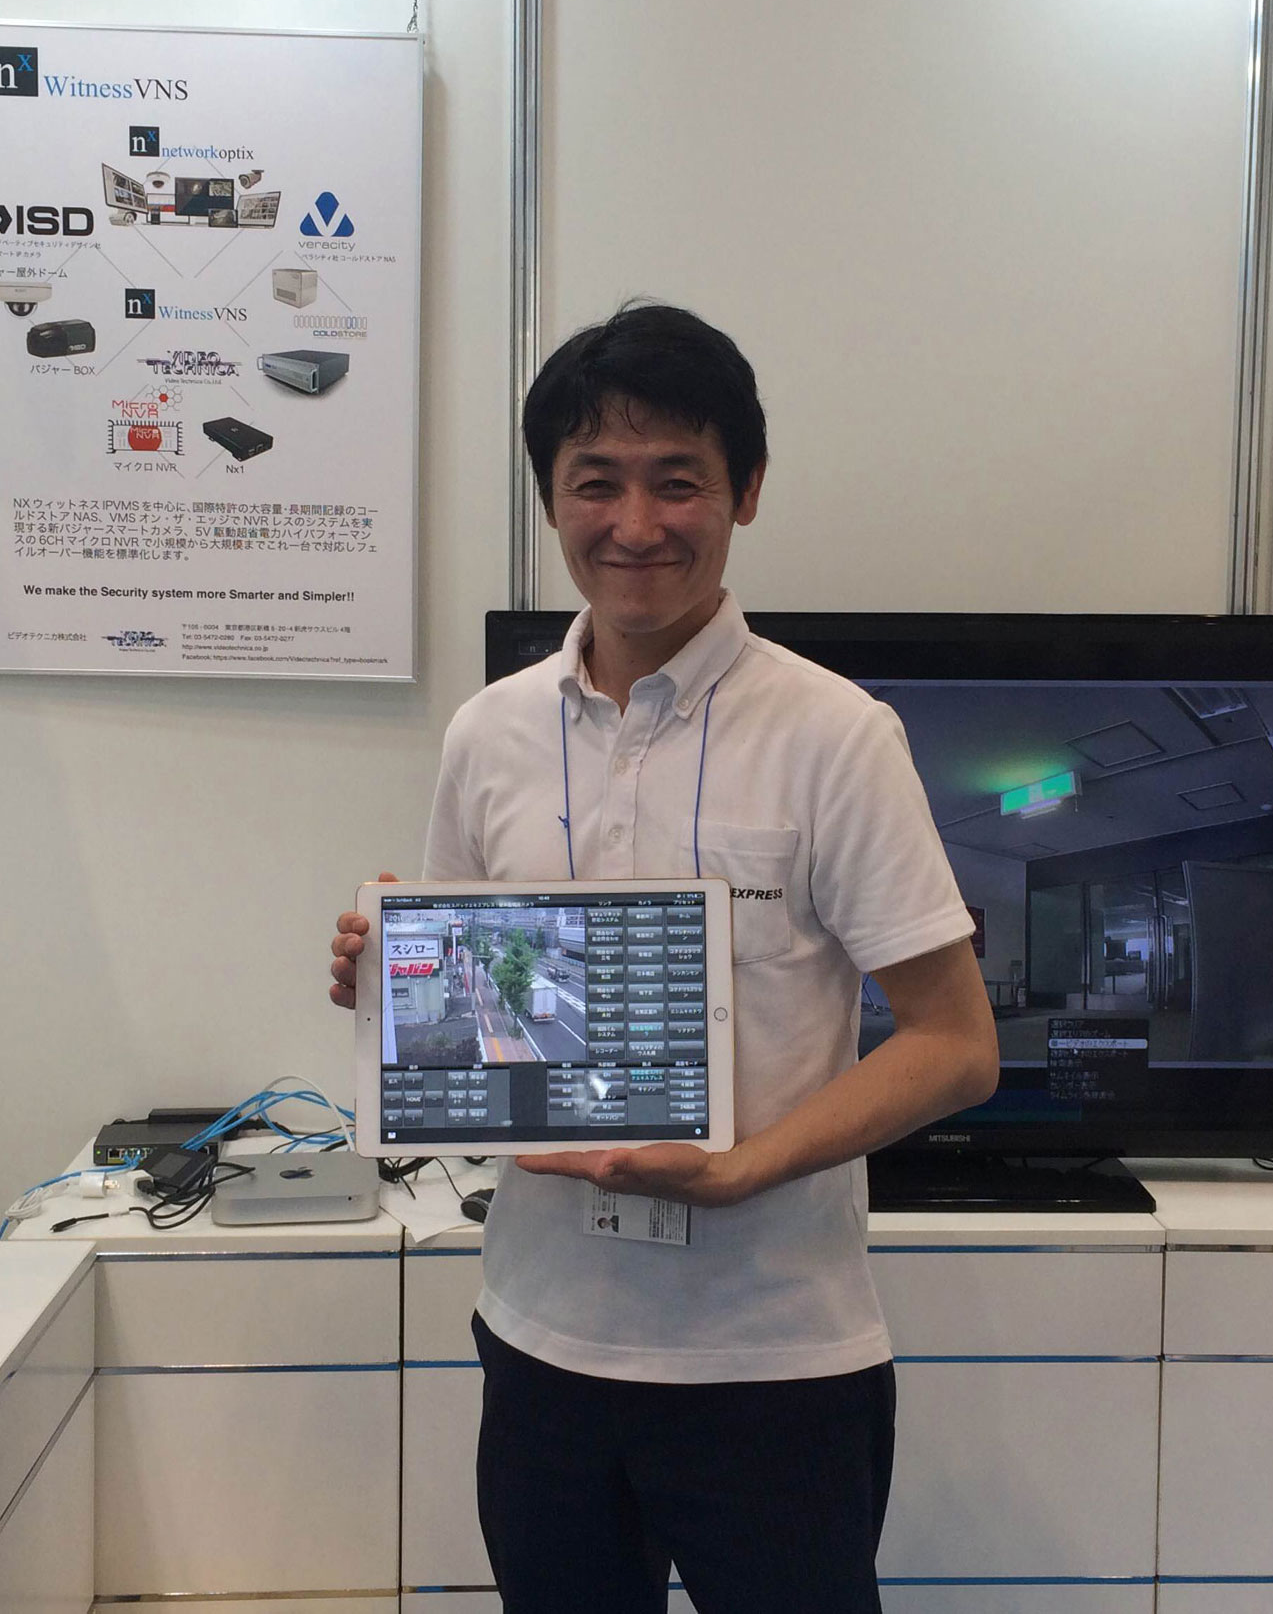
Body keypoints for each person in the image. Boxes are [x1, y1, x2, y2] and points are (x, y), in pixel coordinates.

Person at [329, 303, 998, 1614]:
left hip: (775, 1360)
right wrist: (398, 989)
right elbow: (487, 1022)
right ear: (550, 498)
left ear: (745, 490)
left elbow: (954, 1043)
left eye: (676, 480)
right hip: (542, 1338)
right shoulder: (487, 734)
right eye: (597, 482)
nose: (635, 524)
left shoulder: (837, 735)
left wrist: (744, 1164)